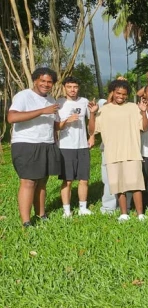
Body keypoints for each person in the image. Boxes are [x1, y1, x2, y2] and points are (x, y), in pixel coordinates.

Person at [8, 68, 62, 226]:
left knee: (42, 181)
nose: (46, 84)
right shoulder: (24, 96)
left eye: (49, 82)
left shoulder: (51, 100)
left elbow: (53, 125)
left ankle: (41, 214)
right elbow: (12, 117)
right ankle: (26, 221)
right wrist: (42, 111)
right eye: (42, 81)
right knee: (29, 182)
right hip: (26, 144)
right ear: (35, 80)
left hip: (46, 143)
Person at [89, 79, 148, 221]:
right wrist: (92, 114)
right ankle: (123, 214)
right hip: (112, 154)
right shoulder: (104, 110)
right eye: (118, 93)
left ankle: (140, 214)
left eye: (124, 94)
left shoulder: (134, 107)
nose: (121, 96)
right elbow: (92, 130)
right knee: (119, 186)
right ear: (112, 92)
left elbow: (144, 127)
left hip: (132, 152)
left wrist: (144, 112)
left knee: (135, 185)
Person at [56, 76, 94, 217]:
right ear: (64, 88)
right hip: (66, 146)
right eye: (69, 87)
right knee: (68, 180)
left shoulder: (84, 102)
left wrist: (92, 136)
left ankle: (82, 208)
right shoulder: (59, 103)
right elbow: (55, 127)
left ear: (78, 88)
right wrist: (66, 121)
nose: (72, 90)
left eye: (75, 87)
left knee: (84, 179)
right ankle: (66, 210)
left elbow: (91, 121)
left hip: (82, 145)